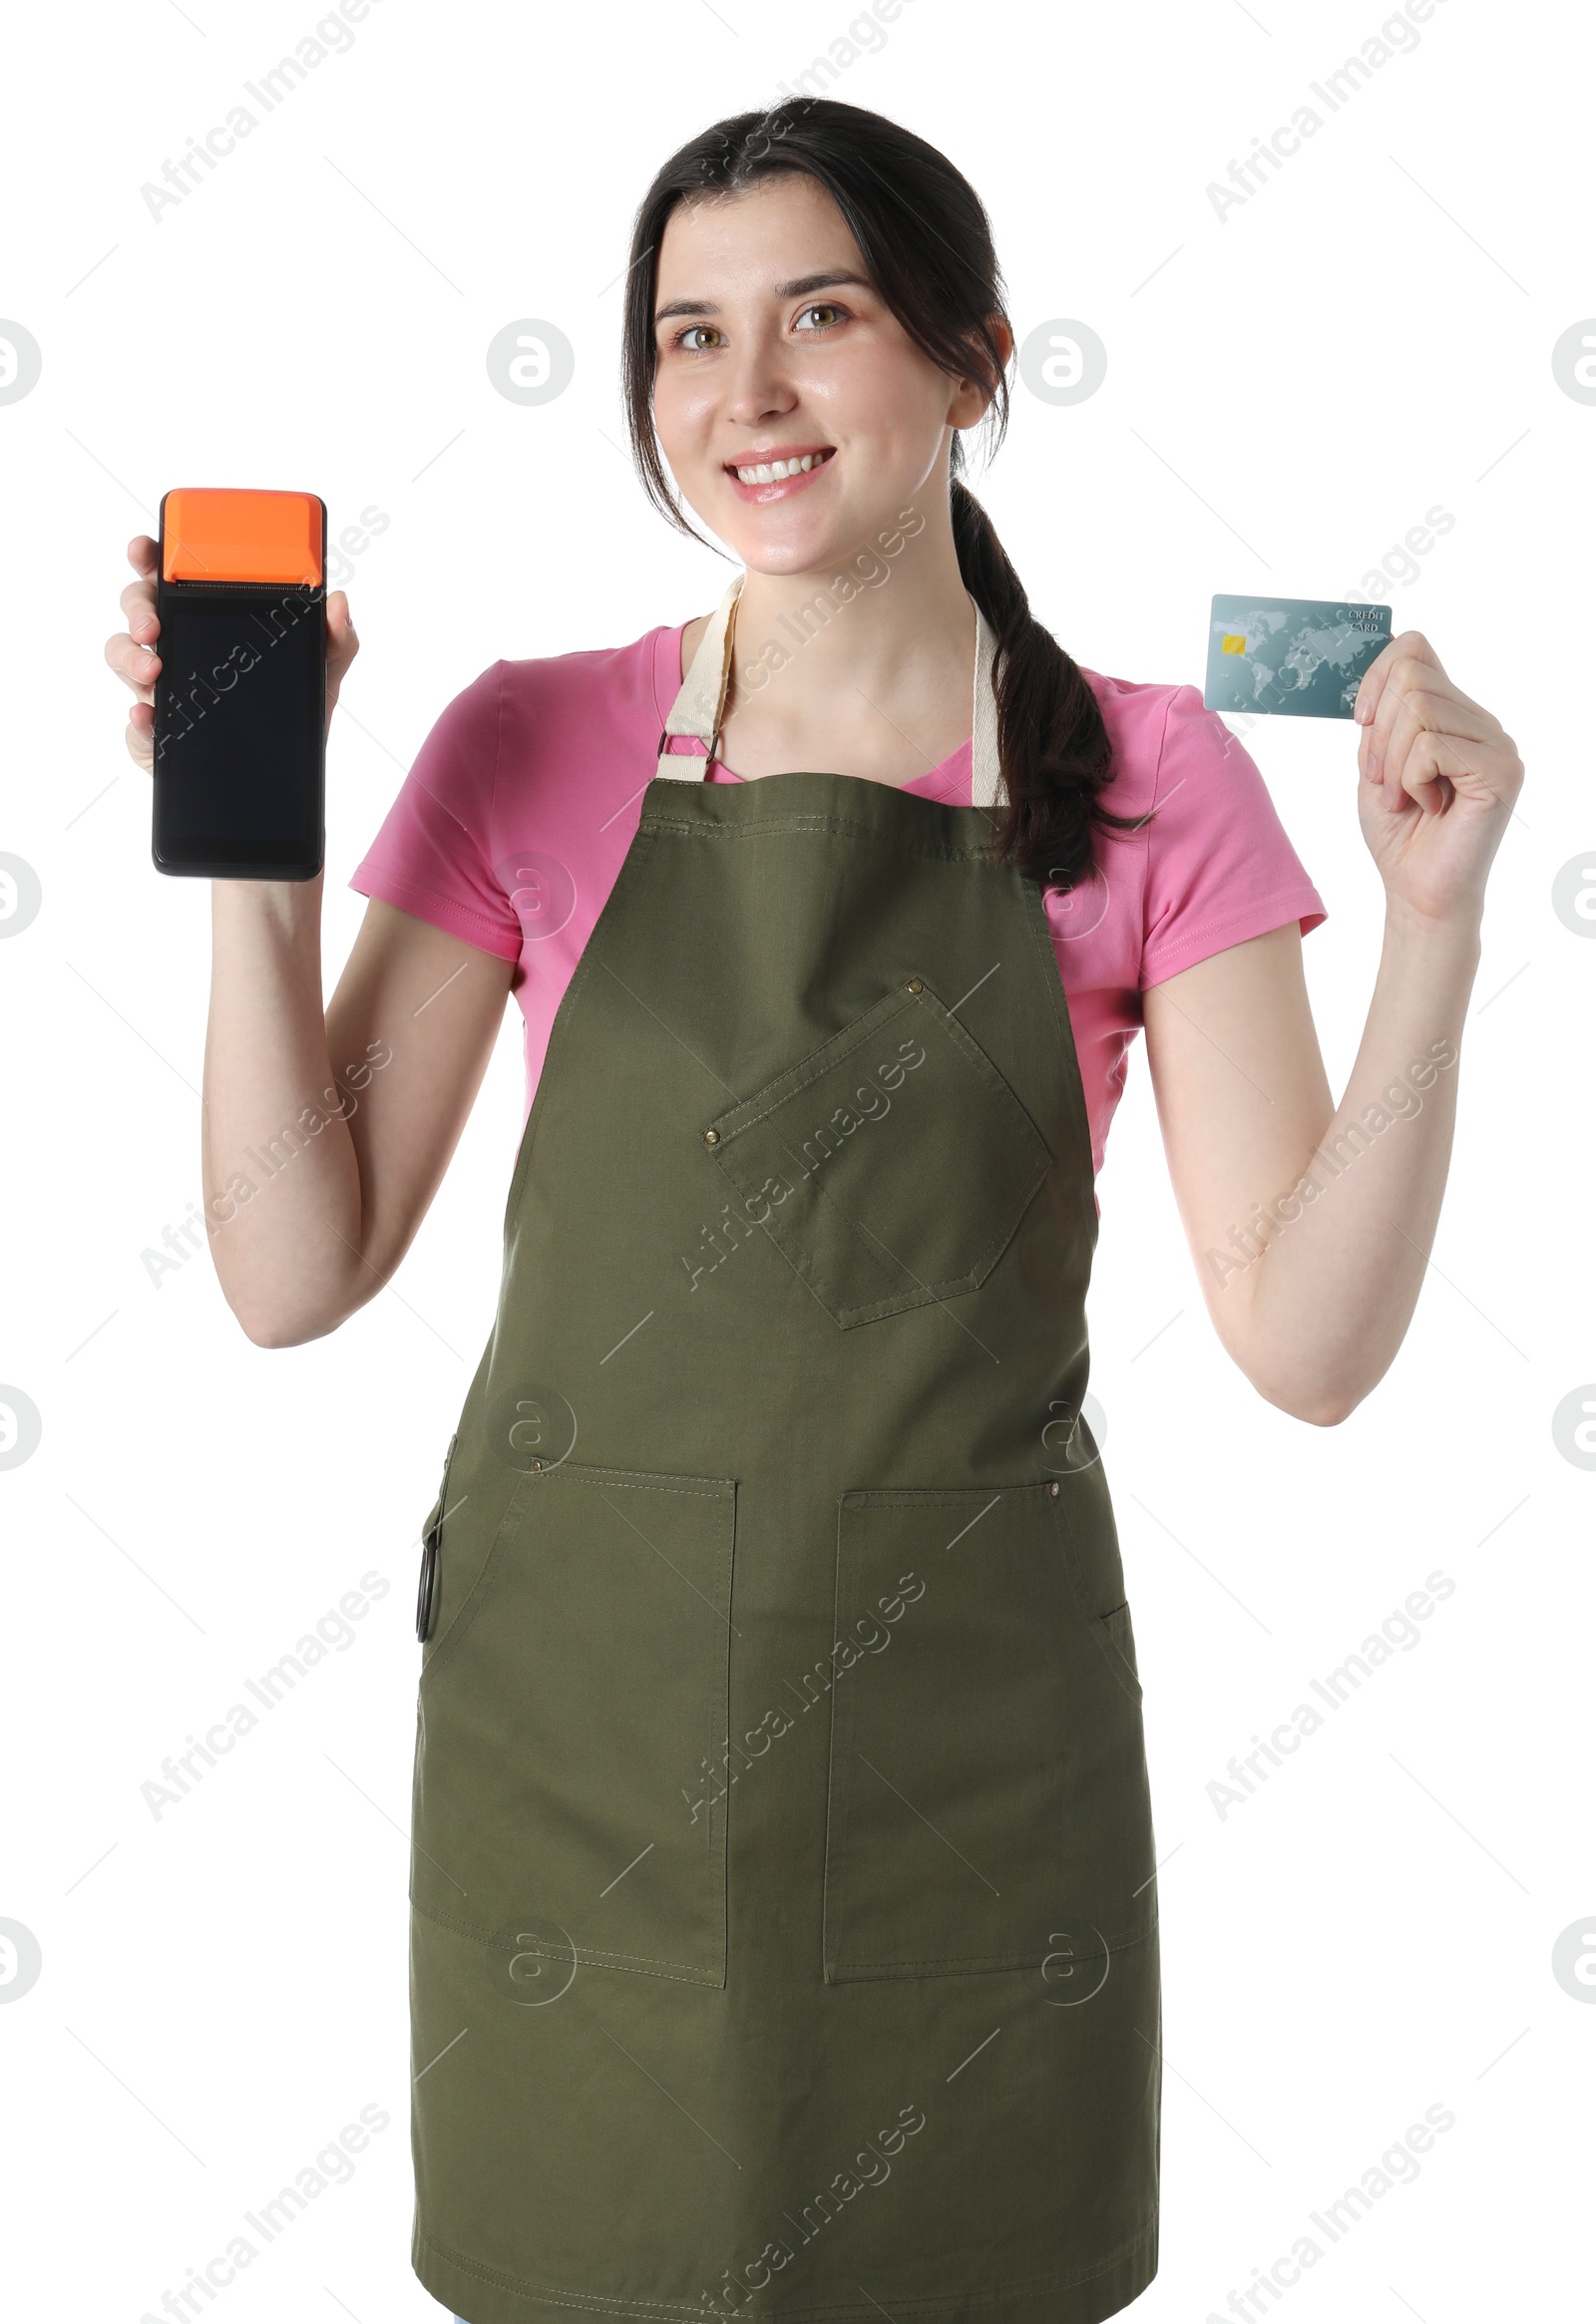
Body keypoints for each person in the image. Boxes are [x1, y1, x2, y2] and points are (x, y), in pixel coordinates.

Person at [106, 94, 1522, 2324]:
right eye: (684, 336)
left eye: (819, 318)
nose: (739, 398)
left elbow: (1308, 1347)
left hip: (967, 1756)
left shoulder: (1156, 771)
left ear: (970, 361)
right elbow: (296, 1266)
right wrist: (249, 863)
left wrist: (1433, 926)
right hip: (576, 1758)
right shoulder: (528, 738)